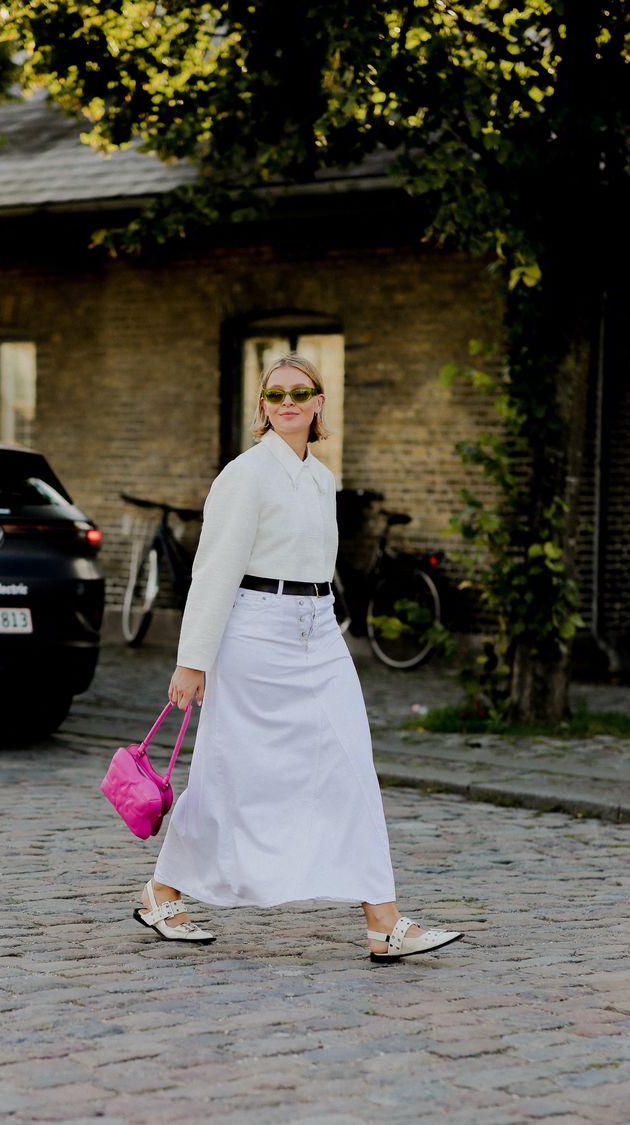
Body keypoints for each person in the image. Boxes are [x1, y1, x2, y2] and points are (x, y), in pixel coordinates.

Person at [133, 354, 463, 963]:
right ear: (262, 407)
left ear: (318, 404)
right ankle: (162, 891)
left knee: (351, 761)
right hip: (254, 633)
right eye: (275, 392)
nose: (288, 401)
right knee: (230, 773)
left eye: (300, 391)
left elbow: (319, 567)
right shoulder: (244, 475)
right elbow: (213, 572)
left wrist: (328, 622)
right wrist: (192, 660)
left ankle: (383, 922)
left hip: (317, 634)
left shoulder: (322, 478)